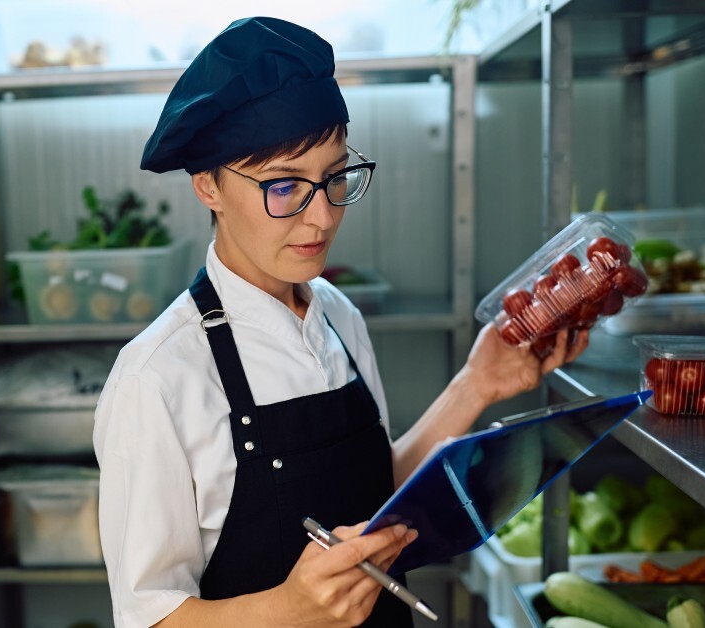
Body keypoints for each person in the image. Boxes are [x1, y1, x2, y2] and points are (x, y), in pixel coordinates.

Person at [93, 16, 589, 628]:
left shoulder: (338, 314)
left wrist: (476, 384)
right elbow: (147, 617)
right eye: (283, 187)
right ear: (207, 187)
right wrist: (288, 610)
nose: (321, 218)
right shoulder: (159, 377)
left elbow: (375, 494)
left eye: (334, 178)